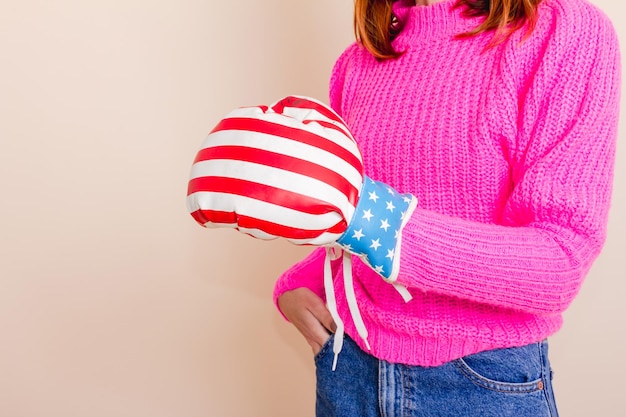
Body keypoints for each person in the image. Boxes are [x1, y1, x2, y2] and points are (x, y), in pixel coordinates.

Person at [274, 0, 621, 416]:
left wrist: (376, 221)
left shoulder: (561, 32)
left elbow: (560, 259)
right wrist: (298, 283)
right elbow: (354, 224)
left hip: (478, 385)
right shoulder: (358, 63)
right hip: (349, 371)